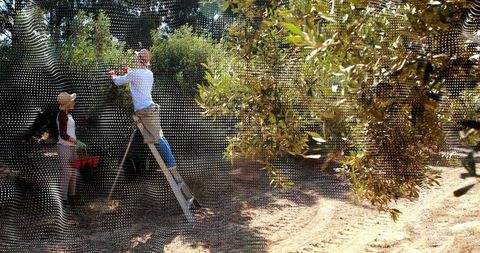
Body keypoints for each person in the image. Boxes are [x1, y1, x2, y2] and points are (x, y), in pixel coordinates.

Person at [111, 49, 177, 169]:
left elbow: (118, 82)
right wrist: (129, 72)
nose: (135, 59)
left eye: (136, 57)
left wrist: (113, 75)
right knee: (160, 136)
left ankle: (171, 163)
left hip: (144, 111)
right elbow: (137, 80)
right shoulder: (149, 73)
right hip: (151, 108)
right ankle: (171, 161)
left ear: (139, 60)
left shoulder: (135, 73)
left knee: (157, 138)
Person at [56, 92, 86, 207]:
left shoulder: (68, 114)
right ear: (67, 103)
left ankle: (72, 199)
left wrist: (76, 143)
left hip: (71, 147)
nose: (74, 102)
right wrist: (77, 142)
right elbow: (63, 135)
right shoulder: (62, 115)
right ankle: (63, 203)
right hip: (64, 147)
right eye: (72, 101)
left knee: (73, 174)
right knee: (67, 174)